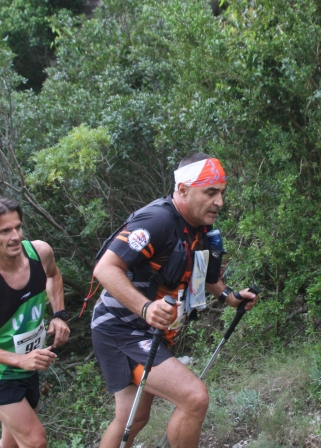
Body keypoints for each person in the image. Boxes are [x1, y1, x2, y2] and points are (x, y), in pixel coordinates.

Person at [91, 153, 257, 448]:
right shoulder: (158, 220)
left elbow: (201, 272)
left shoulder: (198, 228)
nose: (219, 201)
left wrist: (229, 296)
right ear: (182, 190)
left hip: (149, 331)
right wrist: (145, 307)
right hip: (122, 329)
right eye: (210, 192)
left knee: (133, 417)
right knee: (194, 398)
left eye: (221, 193)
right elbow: (105, 268)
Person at [0, 198, 70, 448]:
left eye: (18, 228)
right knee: (34, 440)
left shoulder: (40, 252)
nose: (16, 236)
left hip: (29, 362)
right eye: (5, 231)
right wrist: (20, 360)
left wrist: (59, 314)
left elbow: (53, 275)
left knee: (11, 443)